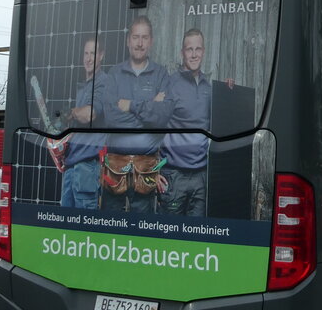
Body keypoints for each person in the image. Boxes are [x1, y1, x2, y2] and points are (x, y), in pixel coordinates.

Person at [99, 16, 173, 213]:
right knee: (108, 230)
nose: (139, 43)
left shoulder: (161, 74)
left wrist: (130, 105)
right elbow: (111, 117)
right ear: (128, 40)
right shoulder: (114, 73)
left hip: (146, 170)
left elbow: (163, 117)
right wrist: (150, 106)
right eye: (135, 37)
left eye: (144, 38)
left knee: (144, 232)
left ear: (151, 42)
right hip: (114, 169)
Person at [161, 28, 231, 217]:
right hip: (174, 176)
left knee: (198, 237)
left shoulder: (210, 88)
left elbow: (224, 124)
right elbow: (151, 125)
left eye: (197, 49)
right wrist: (154, 169)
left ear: (204, 51)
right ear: (182, 53)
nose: (193, 54)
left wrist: (228, 92)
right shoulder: (169, 84)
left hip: (201, 176)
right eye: (189, 49)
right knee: (169, 236)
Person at [59, 38, 107, 210]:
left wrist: (71, 113)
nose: (88, 58)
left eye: (93, 53)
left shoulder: (103, 82)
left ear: (101, 56)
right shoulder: (84, 86)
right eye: (86, 53)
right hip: (72, 164)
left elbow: (90, 114)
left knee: (84, 224)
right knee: (66, 224)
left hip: (87, 165)